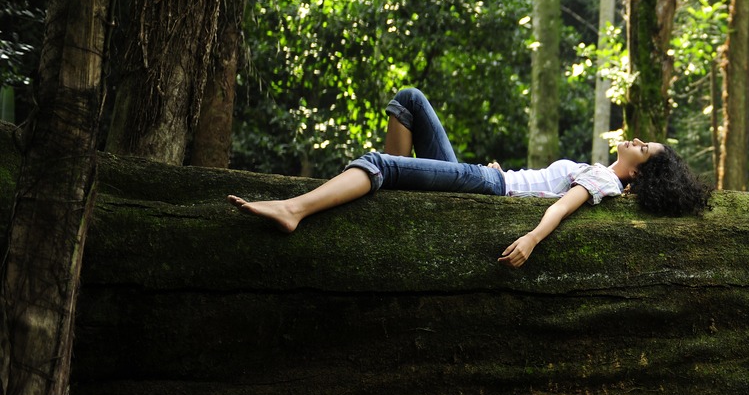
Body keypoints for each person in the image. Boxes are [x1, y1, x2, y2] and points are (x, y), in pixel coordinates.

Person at [229, 87, 711, 265]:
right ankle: (393, 193)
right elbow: (543, 184)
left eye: (643, 148)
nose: (636, 140)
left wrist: (531, 239)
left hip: (488, 187)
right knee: (411, 101)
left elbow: (562, 205)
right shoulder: (603, 169)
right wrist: (508, 176)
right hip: (492, 180)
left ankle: (295, 210)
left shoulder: (606, 183)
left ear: (639, 173)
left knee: (380, 162)